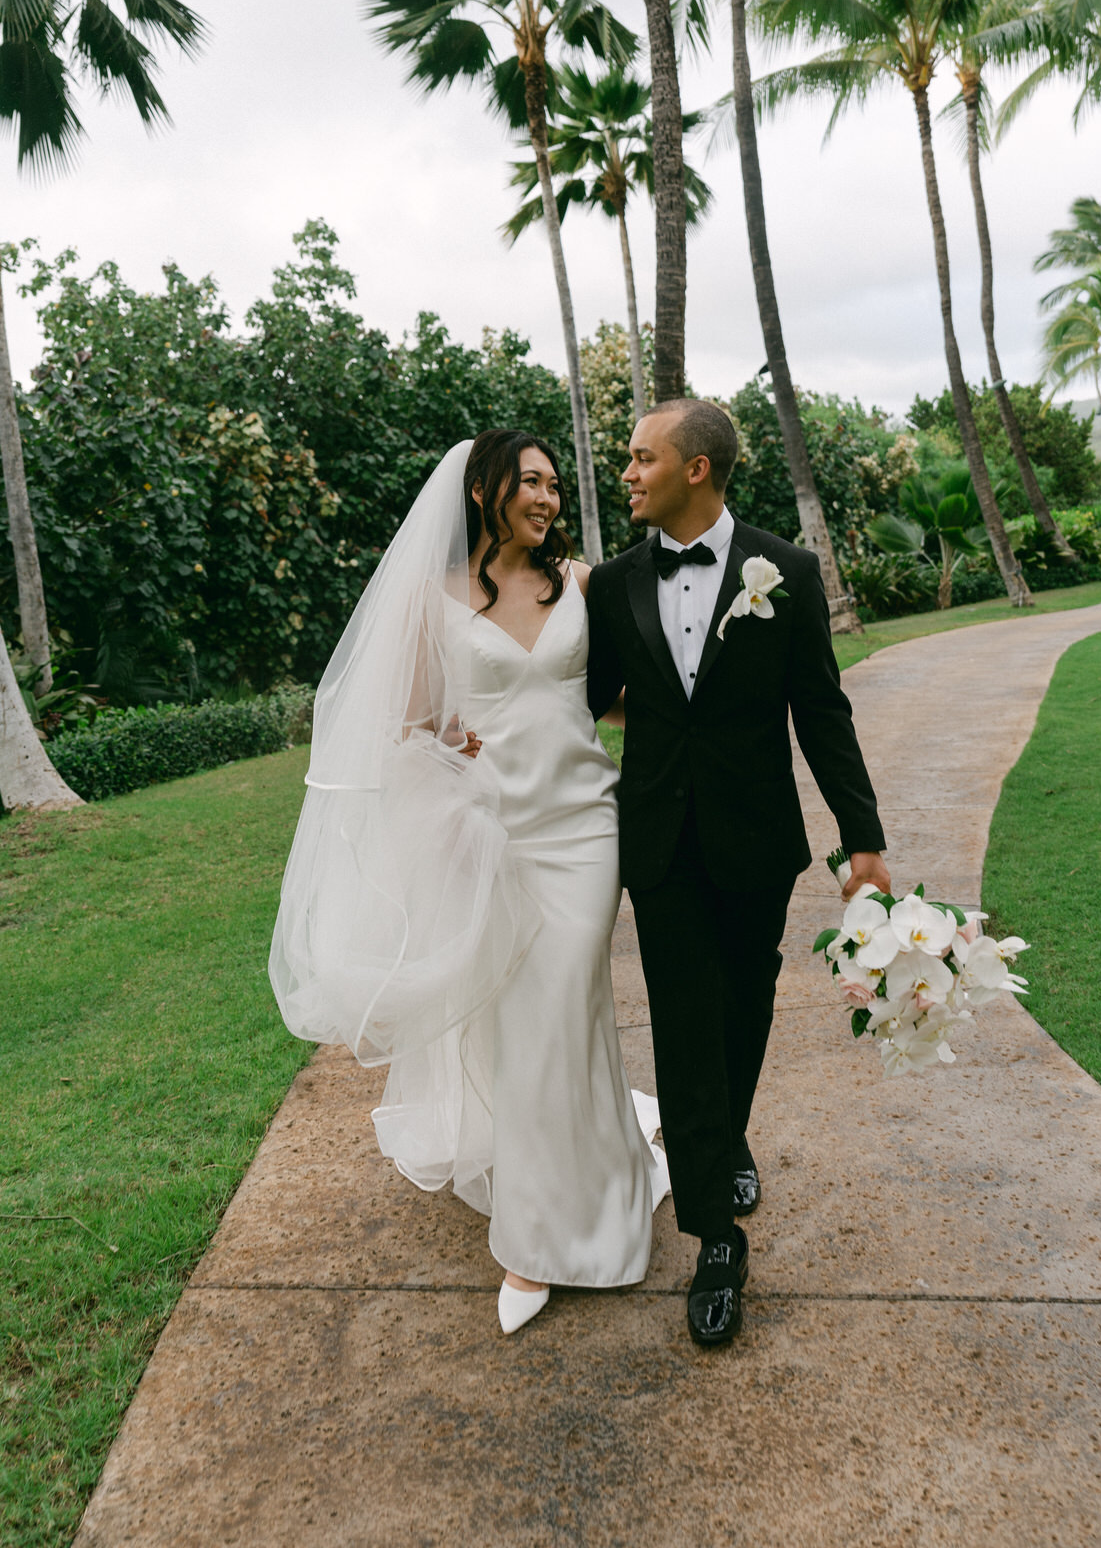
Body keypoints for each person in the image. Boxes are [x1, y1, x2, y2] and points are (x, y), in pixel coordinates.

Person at [269, 431, 667, 1337]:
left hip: (584, 829)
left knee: (570, 1005)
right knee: (523, 1022)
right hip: (494, 832)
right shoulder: (430, 597)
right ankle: (541, 1224)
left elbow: (606, 694)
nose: (548, 498)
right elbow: (401, 726)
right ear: (484, 490)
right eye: (530, 481)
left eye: (555, 485)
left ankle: (576, 1211)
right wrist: (447, 752)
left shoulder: (585, 584)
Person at [587, 398, 890, 1347]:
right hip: (662, 847)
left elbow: (822, 714)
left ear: (697, 470)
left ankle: (723, 1137)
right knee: (683, 1020)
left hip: (756, 840)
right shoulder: (608, 584)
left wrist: (863, 840)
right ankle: (717, 1236)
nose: (627, 473)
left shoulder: (785, 574)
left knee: (744, 1010)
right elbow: (586, 703)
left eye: (642, 459)